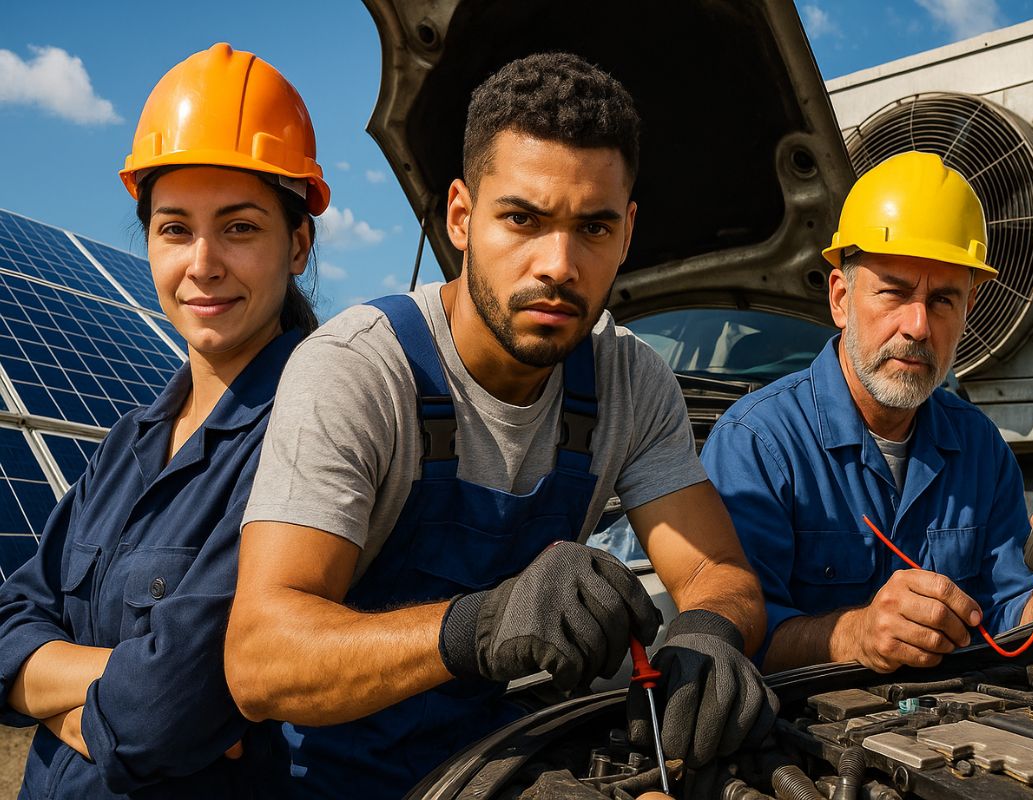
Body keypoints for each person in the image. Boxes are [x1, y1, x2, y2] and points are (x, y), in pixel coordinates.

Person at [224, 52, 776, 796]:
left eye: (594, 227)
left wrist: (710, 633)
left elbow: (718, 573)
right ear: (461, 216)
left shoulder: (628, 380)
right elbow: (260, 661)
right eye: (522, 218)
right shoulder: (361, 370)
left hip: (497, 756)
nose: (559, 263)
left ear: (628, 231)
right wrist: (478, 626)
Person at [0, 43, 328, 796]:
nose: (202, 263)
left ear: (299, 243)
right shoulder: (127, 442)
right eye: (175, 228)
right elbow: (10, 618)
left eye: (240, 228)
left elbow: (163, 714)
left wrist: (49, 687)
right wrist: (103, 698)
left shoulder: (309, 439)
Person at [701, 151, 1033, 674]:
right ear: (840, 298)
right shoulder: (756, 443)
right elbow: (735, 641)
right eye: (894, 291)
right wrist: (854, 634)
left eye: (943, 301)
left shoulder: (980, 446)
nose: (917, 325)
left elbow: (1006, 618)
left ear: (967, 311)